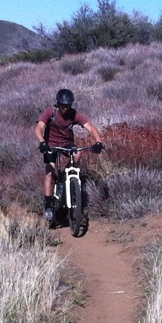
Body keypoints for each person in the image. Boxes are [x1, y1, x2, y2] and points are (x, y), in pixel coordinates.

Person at [34, 88, 104, 223]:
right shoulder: (50, 112)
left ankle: (67, 178)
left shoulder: (74, 115)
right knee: (49, 173)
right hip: (51, 144)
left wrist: (98, 142)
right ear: (58, 104)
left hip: (67, 143)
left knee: (77, 153)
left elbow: (90, 127)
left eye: (68, 105)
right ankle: (48, 207)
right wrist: (42, 142)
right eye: (62, 105)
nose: (65, 108)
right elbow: (39, 128)